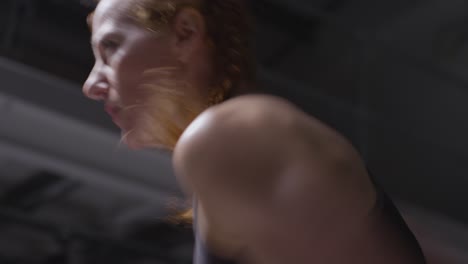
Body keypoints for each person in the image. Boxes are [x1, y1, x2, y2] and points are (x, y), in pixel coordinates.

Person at [82, 0, 427, 263]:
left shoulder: (228, 136)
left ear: (185, 33)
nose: (90, 85)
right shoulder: (237, 139)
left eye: (110, 47)